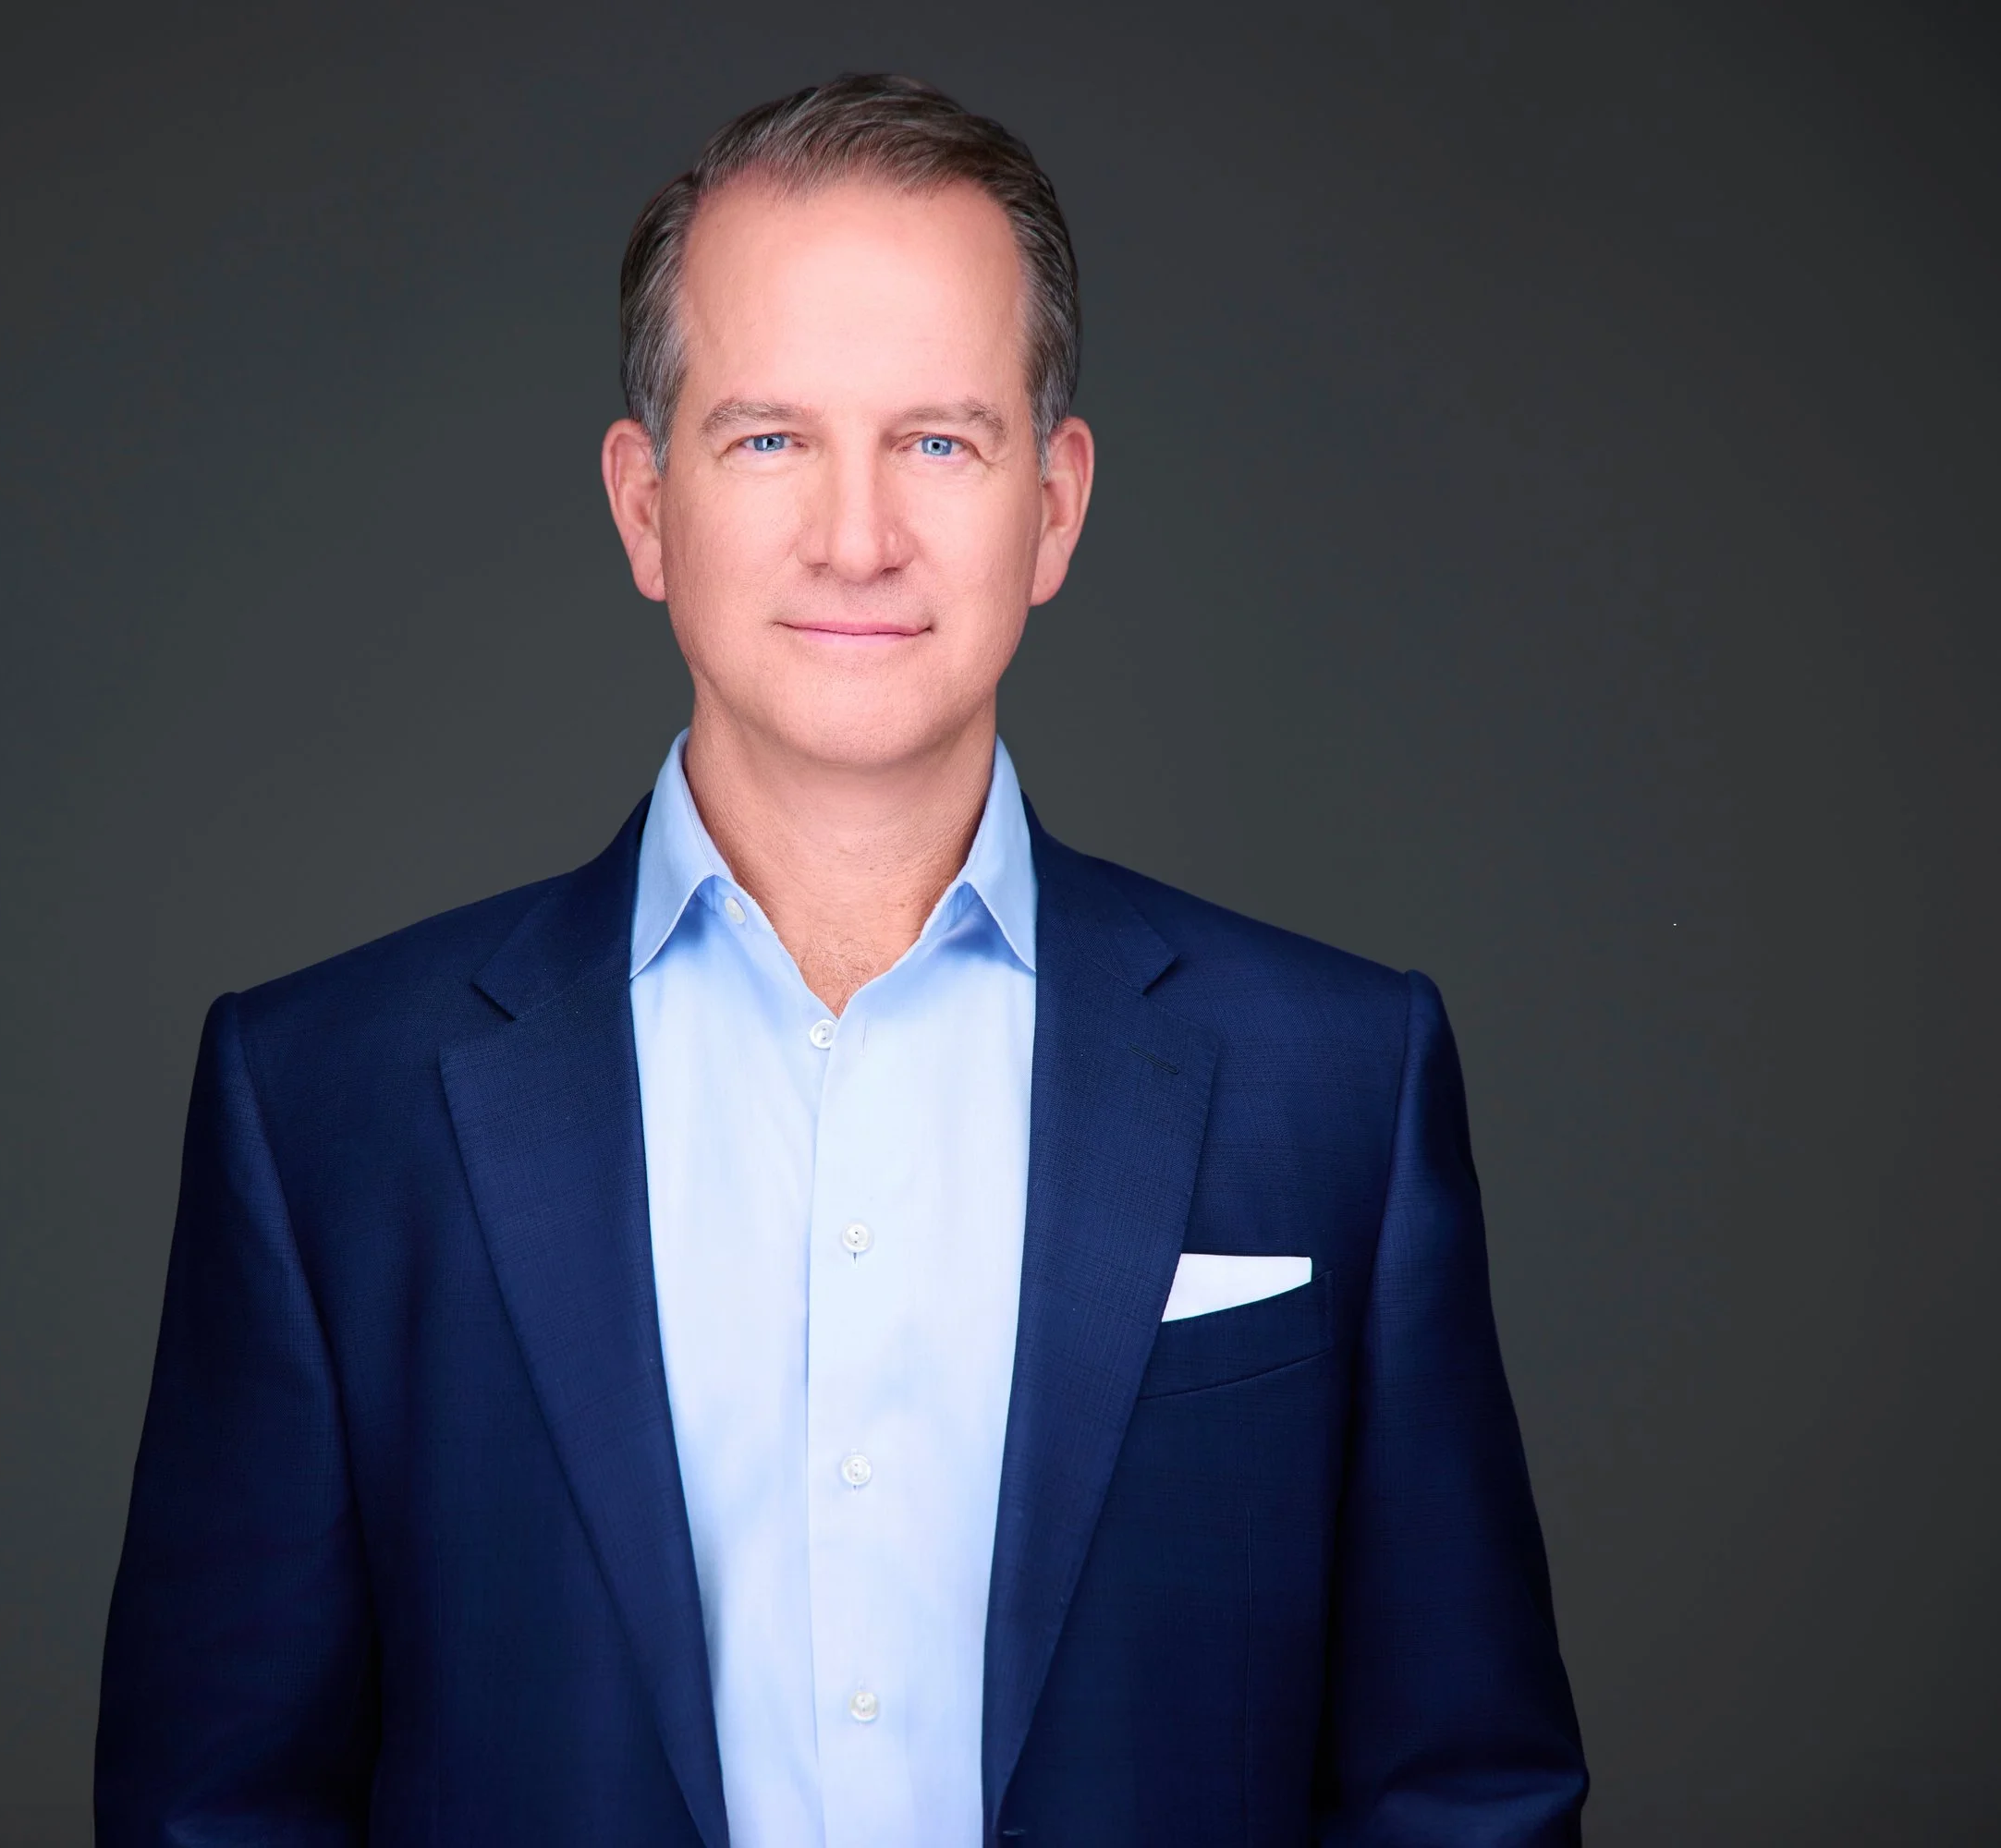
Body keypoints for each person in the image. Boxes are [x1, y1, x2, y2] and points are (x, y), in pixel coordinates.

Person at [96, 73, 1586, 1847]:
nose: (859, 535)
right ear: (647, 506)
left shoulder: (1338, 1077)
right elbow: (217, 1813)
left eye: (941, 439)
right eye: (771, 438)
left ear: (1057, 502)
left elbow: (1465, 1799)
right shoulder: (324, 1105)